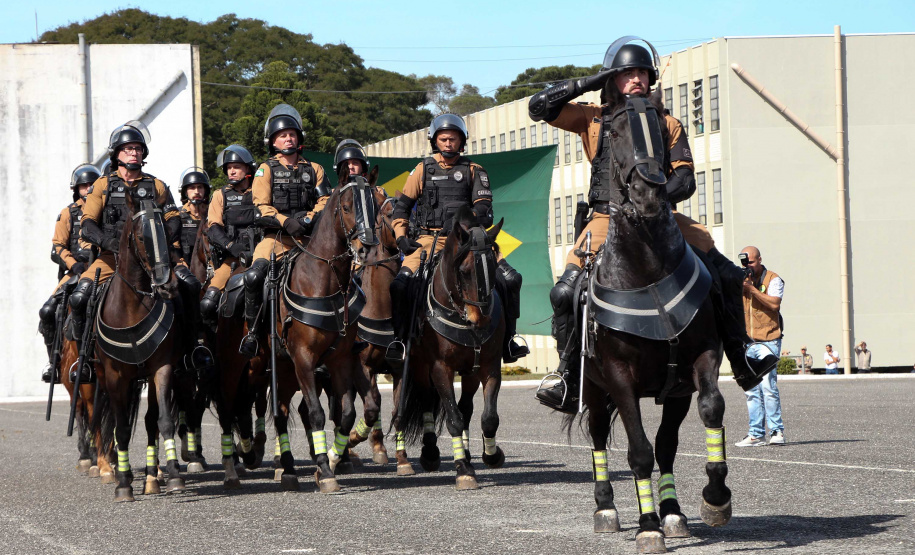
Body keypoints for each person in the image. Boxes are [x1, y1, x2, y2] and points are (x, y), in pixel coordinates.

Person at [529, 37, 776, 412]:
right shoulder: (590, 117)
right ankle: (567, 376)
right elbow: (539, 108)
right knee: (564, 293)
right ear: (614, 78)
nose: (636, 79)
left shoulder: (668, 122)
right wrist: (594, 81)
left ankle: (744, 357)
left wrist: (656, 201)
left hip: (661, 214)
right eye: (626, 72)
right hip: (605, 218)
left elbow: (686, 178)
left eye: (641, 72)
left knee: (724, 273)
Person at [387, 113, 529, 364]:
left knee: (511, 279)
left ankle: (509, 340)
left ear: (462, 142)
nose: (448, 143)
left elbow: (484, 211)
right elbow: (402, 208)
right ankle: (400, 340)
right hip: (430, 241)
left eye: (453, 139)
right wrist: (401, 238)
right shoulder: (422, 169)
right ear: (435, 141)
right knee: (400, 285)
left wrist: (462, 223)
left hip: (469, 241)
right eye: (443, 139)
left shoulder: (475, 170)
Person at [70, 121, 182, 380]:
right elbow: (87, 225)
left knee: (186, 289)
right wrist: (111, 245)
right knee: (79, 298)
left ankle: (190, 351)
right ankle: (84, 358)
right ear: (116, 154)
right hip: (111, 258)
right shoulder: (102, 185)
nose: (134, 153)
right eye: (128, 149)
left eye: (138, 149)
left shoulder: (157, 185)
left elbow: (174, 218)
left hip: (154, 258)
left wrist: (163, 242)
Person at [239, 104, 331, 357]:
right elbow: (260, 207)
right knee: (253, 277)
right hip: (276, 239)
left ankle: (342, 334)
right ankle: (253, 334)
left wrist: (310, 219)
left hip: (310, 240)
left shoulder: (315, 169)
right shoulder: (265, 169)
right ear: (273, 142)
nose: (288, 138)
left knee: (345, 272)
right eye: (282, 135)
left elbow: (325, 201)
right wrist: (285, 221)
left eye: (292, 134)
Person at [37, 163, 100, 383]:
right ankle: (53, 363)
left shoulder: (105, 212)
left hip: (102, 269)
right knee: (47, 311)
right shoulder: (67, 213)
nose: (89, 189)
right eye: (84, 186)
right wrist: (74, 265)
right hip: (74, 272)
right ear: (77, 189)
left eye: (93, 185)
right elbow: (57, 247)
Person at [200, 145, 260, 328]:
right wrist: (231, 245)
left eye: (237, 167)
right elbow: (213, 229)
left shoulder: (261, 191)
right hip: (232, 260)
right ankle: (212, 347)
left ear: (248, 169)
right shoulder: (220, 195)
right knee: (208, 303)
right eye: (229, 167)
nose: (231, 171)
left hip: (261, 256)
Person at [734, 246, 787, 447]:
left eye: (752, 263)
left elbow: (774, 304)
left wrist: (752, 290)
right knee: (751, 390)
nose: (748, 267)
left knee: (768, 388)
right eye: (745, 263)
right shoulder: (741, 280)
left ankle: (777, 431)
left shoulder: (773, 279)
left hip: (769, 340)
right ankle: (756, 433)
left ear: (760, 260)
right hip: (748, 342)